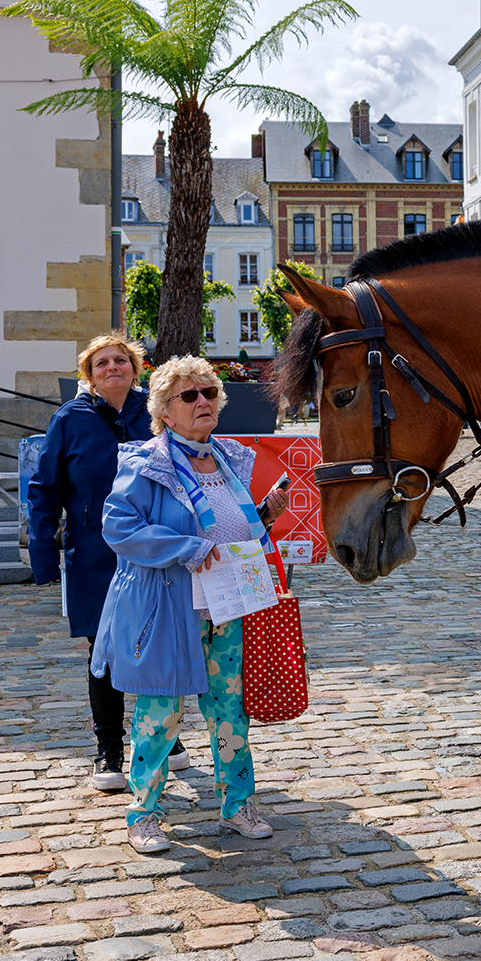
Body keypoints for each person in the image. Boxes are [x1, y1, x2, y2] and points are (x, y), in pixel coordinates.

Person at [90, 355, 290, 853]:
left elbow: (232, 531)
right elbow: (119, 528)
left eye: (209, 393)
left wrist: (264, 514)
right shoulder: (147, 463)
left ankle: (237, 803)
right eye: (189, 396)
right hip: (167, 608)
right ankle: (144, 814)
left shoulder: (230, 459)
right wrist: (189, 549)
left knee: (230, 710)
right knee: (161, 714)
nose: (203, 401)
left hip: (227, 606)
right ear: (164, 410)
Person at [27, 334, 192, 790]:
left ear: (136, 369)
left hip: (155, 549)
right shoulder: (70, 419)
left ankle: (165, 739)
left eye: (121, 360)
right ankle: (109, 750)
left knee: (157, 641)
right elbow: (44, 489)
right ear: (89, 374)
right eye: (101, 363)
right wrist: (44, 552)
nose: (112, 367)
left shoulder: (160, 413)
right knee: (104, 650)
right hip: (93, 553)